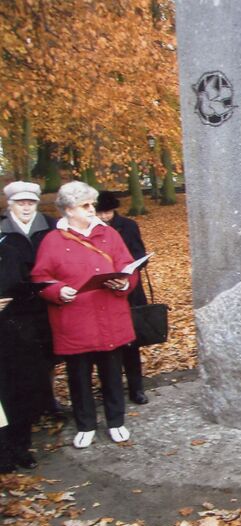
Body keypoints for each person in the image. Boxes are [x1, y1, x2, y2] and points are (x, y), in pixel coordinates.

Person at [31, 181, 139, 448]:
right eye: (86, 205)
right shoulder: (52, 241)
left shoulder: (110, 235)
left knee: (113, 373)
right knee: (78, 376)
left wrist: (125, 282)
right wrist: (58, 291)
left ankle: (116, 421)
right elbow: (40, 278)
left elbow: (128, 266)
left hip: (109, 315)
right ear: (69, 209)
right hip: (74, 319)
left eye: (93, 204)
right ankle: (86, 424)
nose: (93, 210)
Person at [1, 181, 61, 413]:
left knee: (49, 353)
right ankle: (25, 404)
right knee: (19, 355)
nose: (26, 207)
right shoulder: (2, 228)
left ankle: (50, 399)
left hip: (46, 298)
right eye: (20, 203)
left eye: (30, 202)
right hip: (12, 305)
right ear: (10, 205)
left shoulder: (52, 225)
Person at [0, 234, 51, 472]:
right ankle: (3, 453)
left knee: (21, 391)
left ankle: (21, 447)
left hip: (17, 334)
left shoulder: (10, 249)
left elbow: (22, 284)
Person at [95, 191, 149, 404]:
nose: (103, 217)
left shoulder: (128, 226)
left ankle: (137, 388)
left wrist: (127, 268)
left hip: (129, 289)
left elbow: (140, 255)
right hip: (102, 290)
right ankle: (109, 386)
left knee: (131, 344)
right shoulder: (92, 230)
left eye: (107, 212)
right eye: (99, 212)